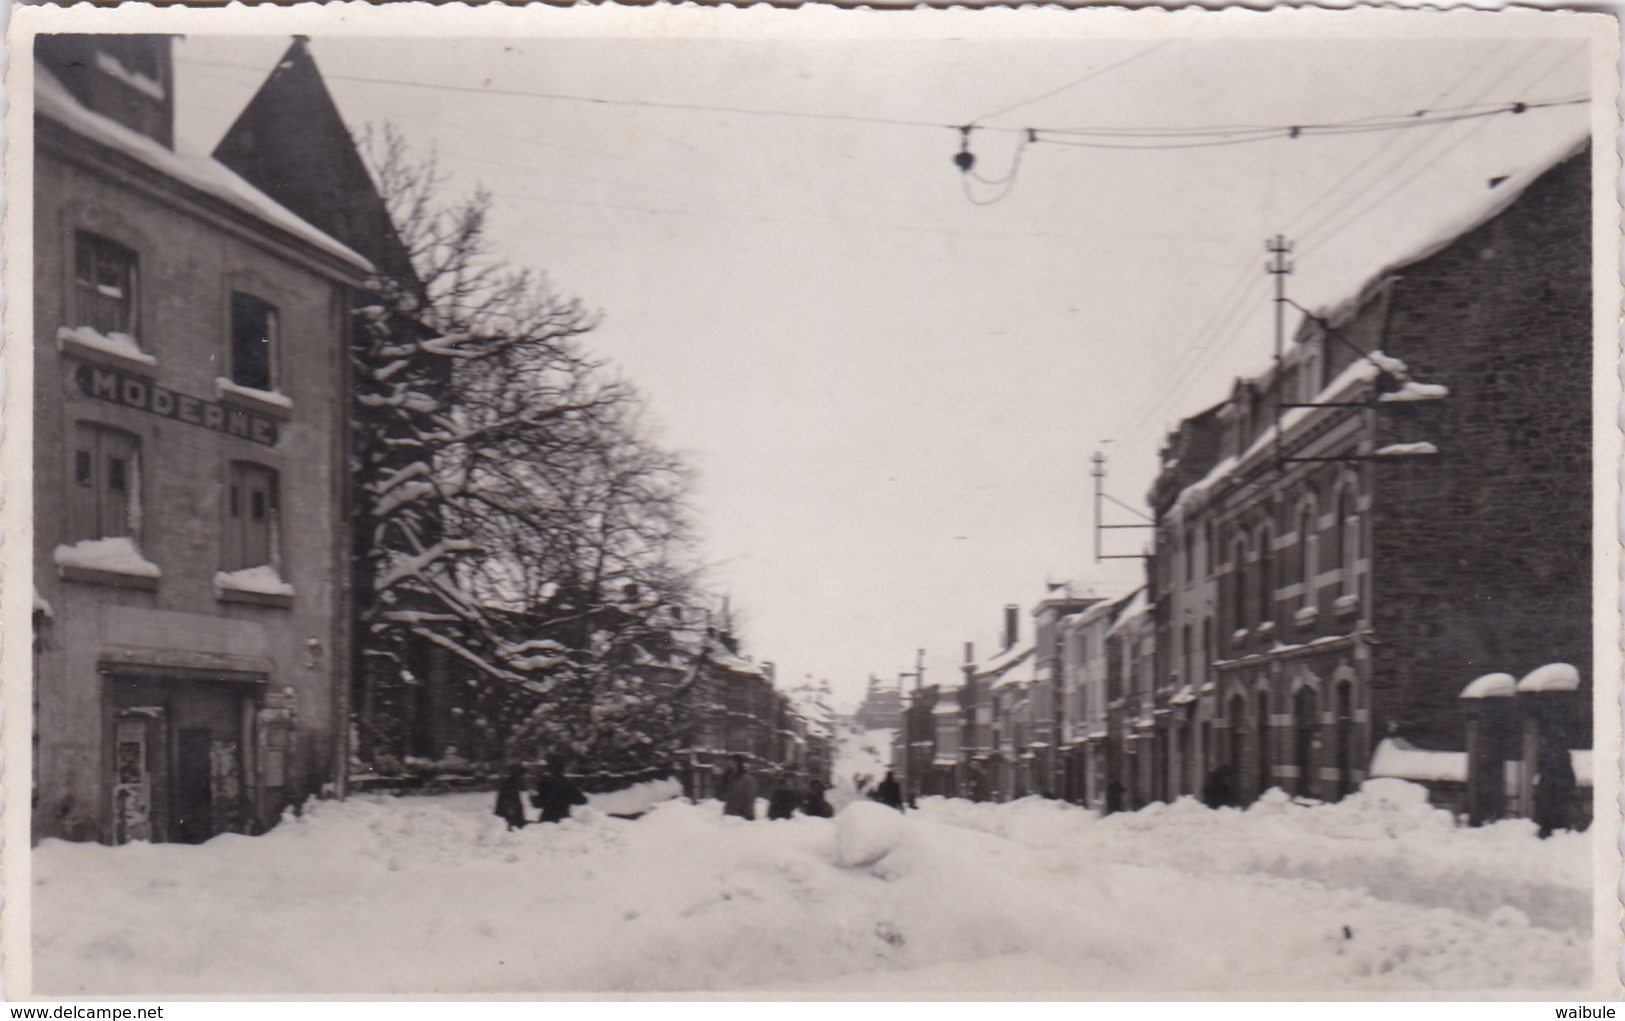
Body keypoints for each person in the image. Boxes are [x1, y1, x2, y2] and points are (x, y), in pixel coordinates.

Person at [531, 756, 587, 824]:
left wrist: (533, 797)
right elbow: (582, 801)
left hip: (547, 821)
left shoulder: (545, 784)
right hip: (564, 821)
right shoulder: (568, 784)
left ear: (549, 768)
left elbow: (537, 804)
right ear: (562, 768)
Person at [720, 755, 757, 820]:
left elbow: (749, 797)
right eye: (728, 764)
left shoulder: (747, 779)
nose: (730, 766)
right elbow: (723, 794)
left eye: (732, 763)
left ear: (738, 764)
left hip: (743, 815)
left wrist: (748, 814)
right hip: (729, 815)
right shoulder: (728, 778)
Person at [494, 763, 529, 830]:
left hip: (511, 821)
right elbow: (509, 809)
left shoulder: (512, 785)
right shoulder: (510, 786)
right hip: (507, 823)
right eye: (522, 775)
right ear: (517, 775)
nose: (524, 778)